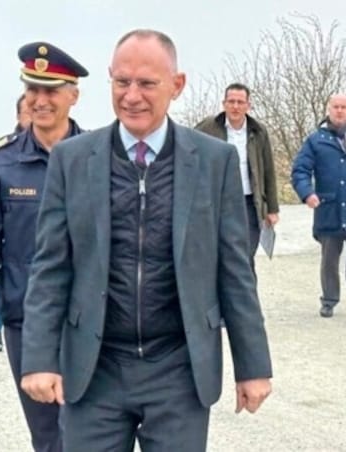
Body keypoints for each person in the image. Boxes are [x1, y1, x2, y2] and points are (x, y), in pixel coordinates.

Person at [19, 29, 273, 452]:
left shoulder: (215, 161)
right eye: (122, 82)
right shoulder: (73, 159)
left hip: (178, 368)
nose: (131, 96)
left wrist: (253, 366)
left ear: (177, 85)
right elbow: (50, 267)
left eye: (146, 83)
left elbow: (235, 272)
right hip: (95, 368)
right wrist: (41, 359)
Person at [0, 41, 88, 452]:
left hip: (90, 320)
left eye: (51, 90)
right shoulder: (2, 163)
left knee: (92, 432)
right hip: (25, 321)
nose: (40, 99)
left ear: (73, 95)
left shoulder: (100, 158)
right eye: (33, 89)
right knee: (49, 437)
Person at [290, 94, 346, 318]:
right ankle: (329, 300)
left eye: (344, 107)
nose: (339, 111)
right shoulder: (315, 140)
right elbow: (300, 171)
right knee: (329, 259)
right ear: (328, 109)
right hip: (328, 208)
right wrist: (307, 193)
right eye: (335, 107)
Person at [194, 82, 280, 272]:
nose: (235, 106)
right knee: (218, 254)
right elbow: (190, 157)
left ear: (248, 105)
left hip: (249, 202)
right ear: (224, 103)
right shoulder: (208, 128)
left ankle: (247, 300)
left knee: (246, 255)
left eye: (240, 102)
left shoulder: (258, 131)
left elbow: (267, 169)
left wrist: (272, 208)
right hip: (217, 202)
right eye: (231, 101)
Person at [0, 93, 34, 353]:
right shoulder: (3, 156)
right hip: (14, 257)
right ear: (18, 116)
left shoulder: (76, 152)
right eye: (28, 111)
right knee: (6, 277)